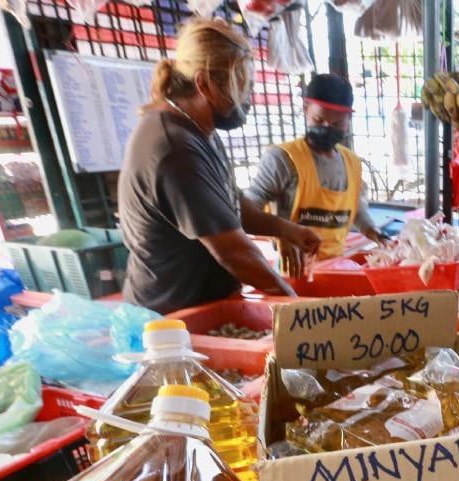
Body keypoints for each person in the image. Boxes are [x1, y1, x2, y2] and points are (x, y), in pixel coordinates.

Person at [118, 19, 320, 315]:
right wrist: (302, 312)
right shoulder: (175, 149)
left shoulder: (199, 130)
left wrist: (285, 229)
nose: (248, 100)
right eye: (242, 87)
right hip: (171, 317)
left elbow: (231, 206)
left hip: (207, 305)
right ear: (204, 85)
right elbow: (235, 252)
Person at [245, 74, 387, 260]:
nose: (327, 127)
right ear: (306, 109)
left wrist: (375, 233)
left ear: (349, 118)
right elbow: (248, 208)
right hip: (295, 269)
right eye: (319, 120)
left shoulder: (352, 163)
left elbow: (357, 208)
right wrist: (282, 233)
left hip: (337, 266)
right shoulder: (282, 159)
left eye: (337, 124)